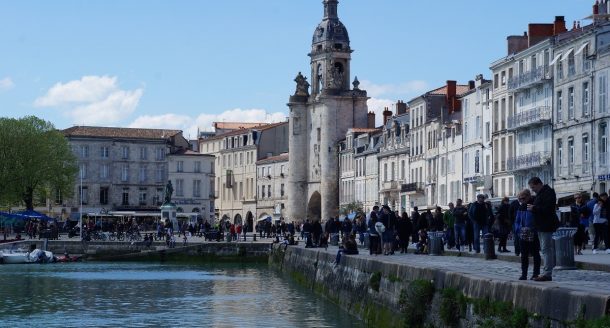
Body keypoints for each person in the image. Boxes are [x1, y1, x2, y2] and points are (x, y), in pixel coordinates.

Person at [527, 176, 558, 282]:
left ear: (539, 184)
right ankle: (546, 271)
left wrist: (534, 208)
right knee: (545, 249)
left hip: (546, 225)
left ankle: (547, 273)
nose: (532, 189)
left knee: (546, 249)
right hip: (541, 225)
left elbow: (548, 209)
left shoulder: (548, 192)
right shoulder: (541, 193)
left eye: (533, 187)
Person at [514, 189, 541, 280]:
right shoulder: (521, 207)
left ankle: (535, 273)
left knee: (535, 253)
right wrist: (519, 229)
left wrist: (534, 229)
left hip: (533, 232)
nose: (521, 200)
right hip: (523, 232)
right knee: (524, 254)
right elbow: (517, 221)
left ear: (528, 196)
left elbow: (538, 219)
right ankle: (524, 274)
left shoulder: (534, 205)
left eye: (523, 198)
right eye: (520, 199)